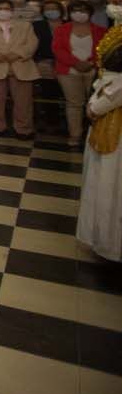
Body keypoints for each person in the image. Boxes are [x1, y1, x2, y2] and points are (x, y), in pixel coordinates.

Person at [77, 29, 122, 261]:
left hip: (115, 131)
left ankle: (110, 242)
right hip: (106, 126)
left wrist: (94, 106)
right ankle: (102, 238)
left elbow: (112, 94)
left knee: (111, 185)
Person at [0, 0, 39, 139]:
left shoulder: (25, 26)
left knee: (23, 102)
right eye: (0, 8)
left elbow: (32, 43)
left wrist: (18, 54)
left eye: (7, 8)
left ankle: (23, 129)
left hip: (21, 66)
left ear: (12, 11)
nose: (3, 11)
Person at [54, 1, 100, 150]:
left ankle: (97, 134)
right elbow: (58, 49)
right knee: (74, 104)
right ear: (70, 12)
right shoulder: (62, 29)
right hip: (69, 71)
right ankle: (75, 135)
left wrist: (91, 63)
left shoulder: (101, 30)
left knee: (96, 103)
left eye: (83, 10)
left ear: (90, 13)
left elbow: (104, 50)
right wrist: (75, 63)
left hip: (93, 71)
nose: (79, 13)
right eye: (75, 10)